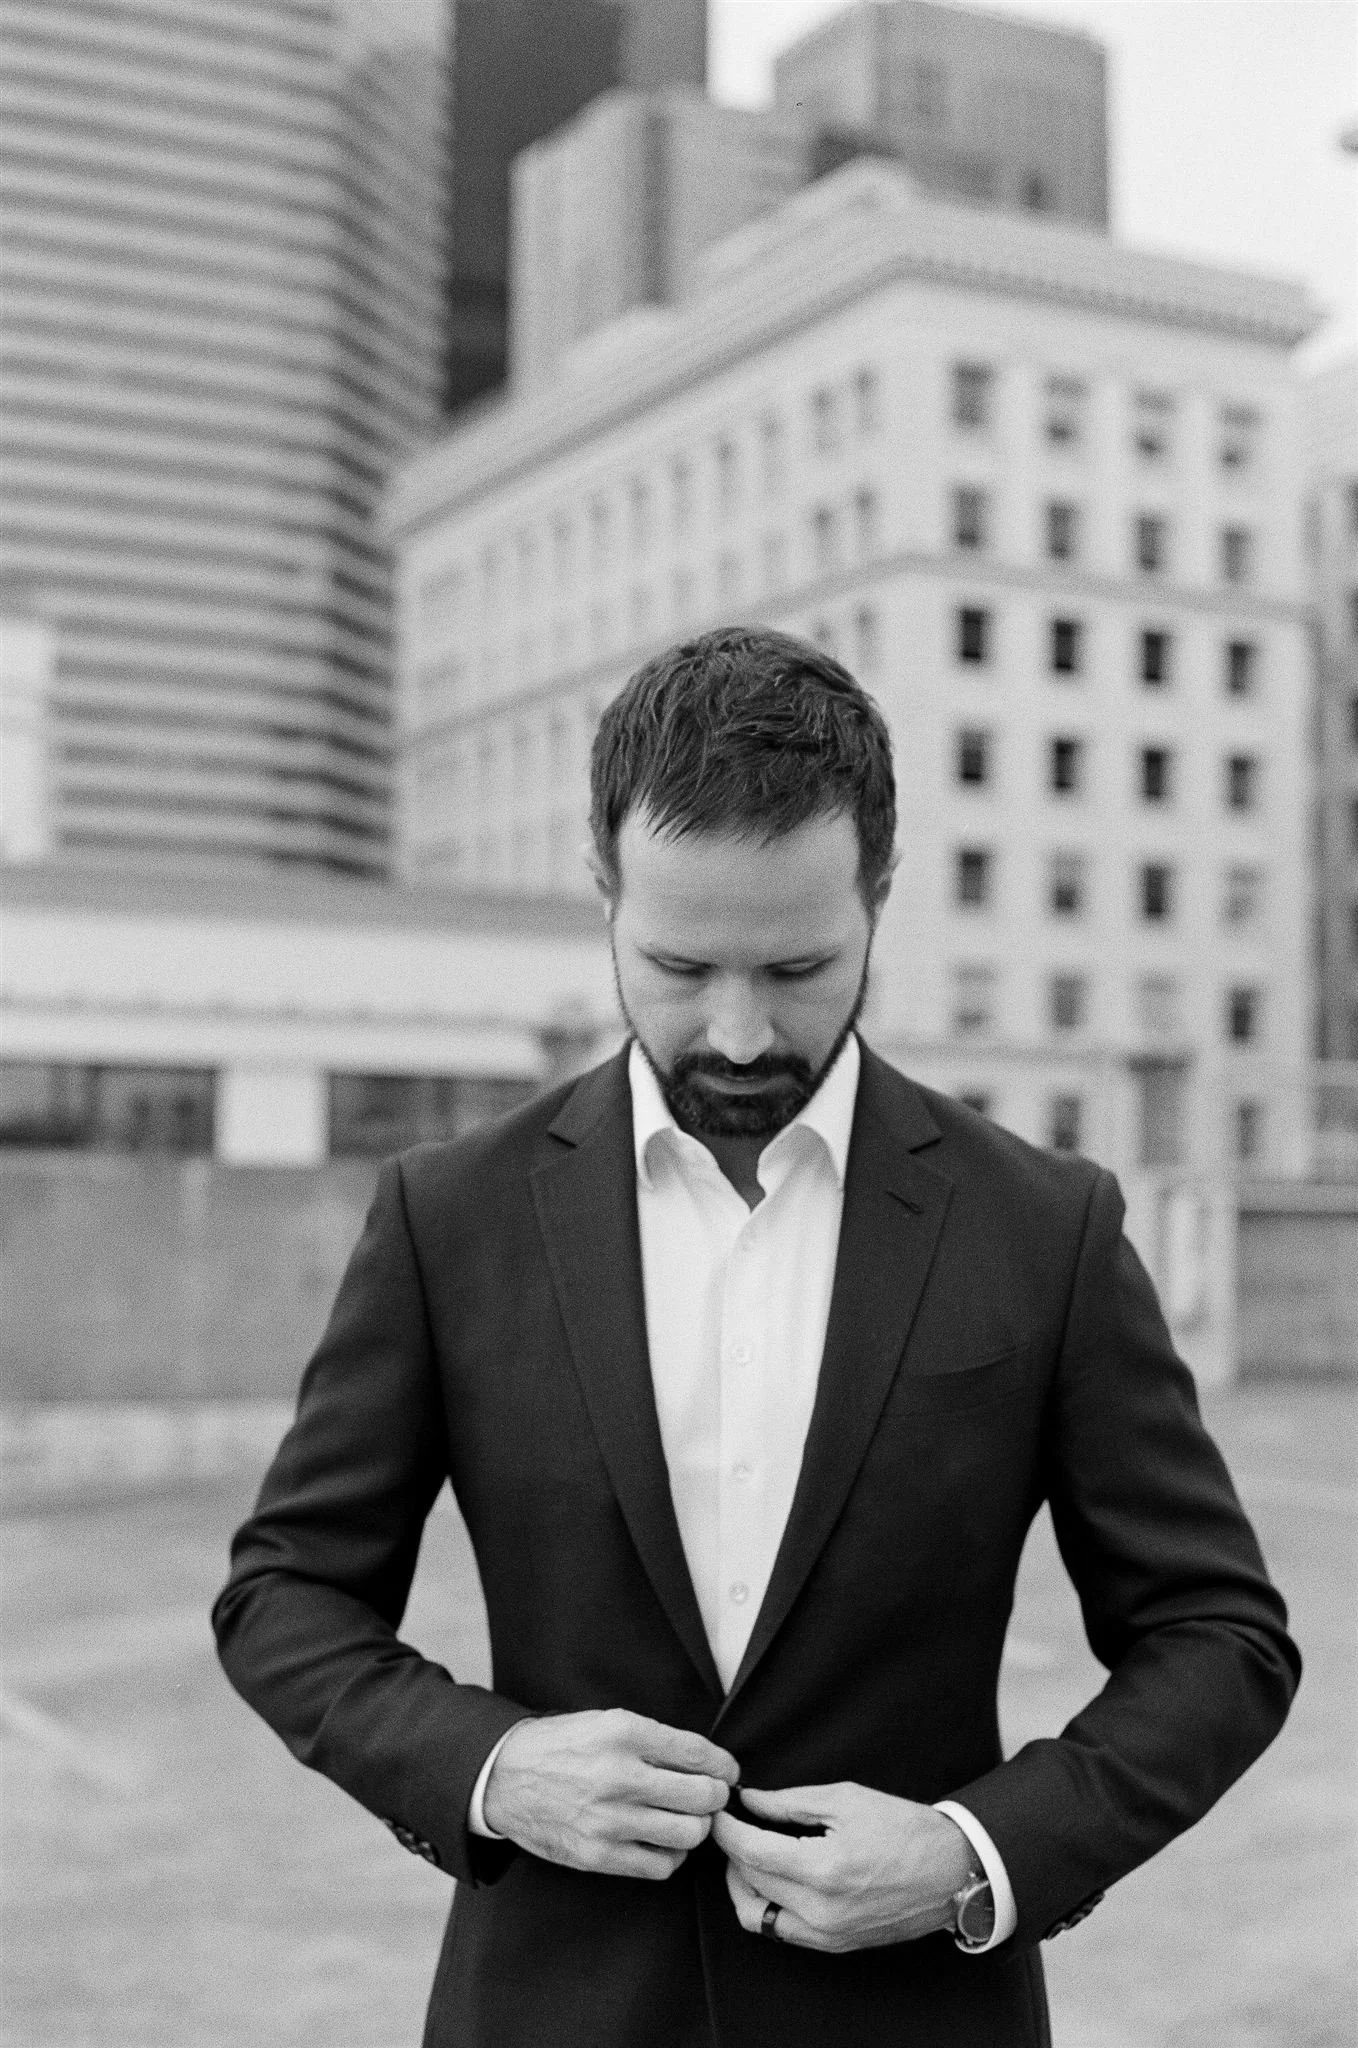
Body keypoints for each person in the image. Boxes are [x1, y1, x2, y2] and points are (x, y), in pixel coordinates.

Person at [214, 627, 1299, 2048]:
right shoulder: (448, 1215)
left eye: (797, 968)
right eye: (679, 965)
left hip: (915, 2019)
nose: (735, 1035)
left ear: (879, 896)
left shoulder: (1048, 1227)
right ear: (603, 893)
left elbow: (1219, 1639)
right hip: (550, 2009)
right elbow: (283, 1595)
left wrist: (973, 1853)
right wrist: (492, 1767)